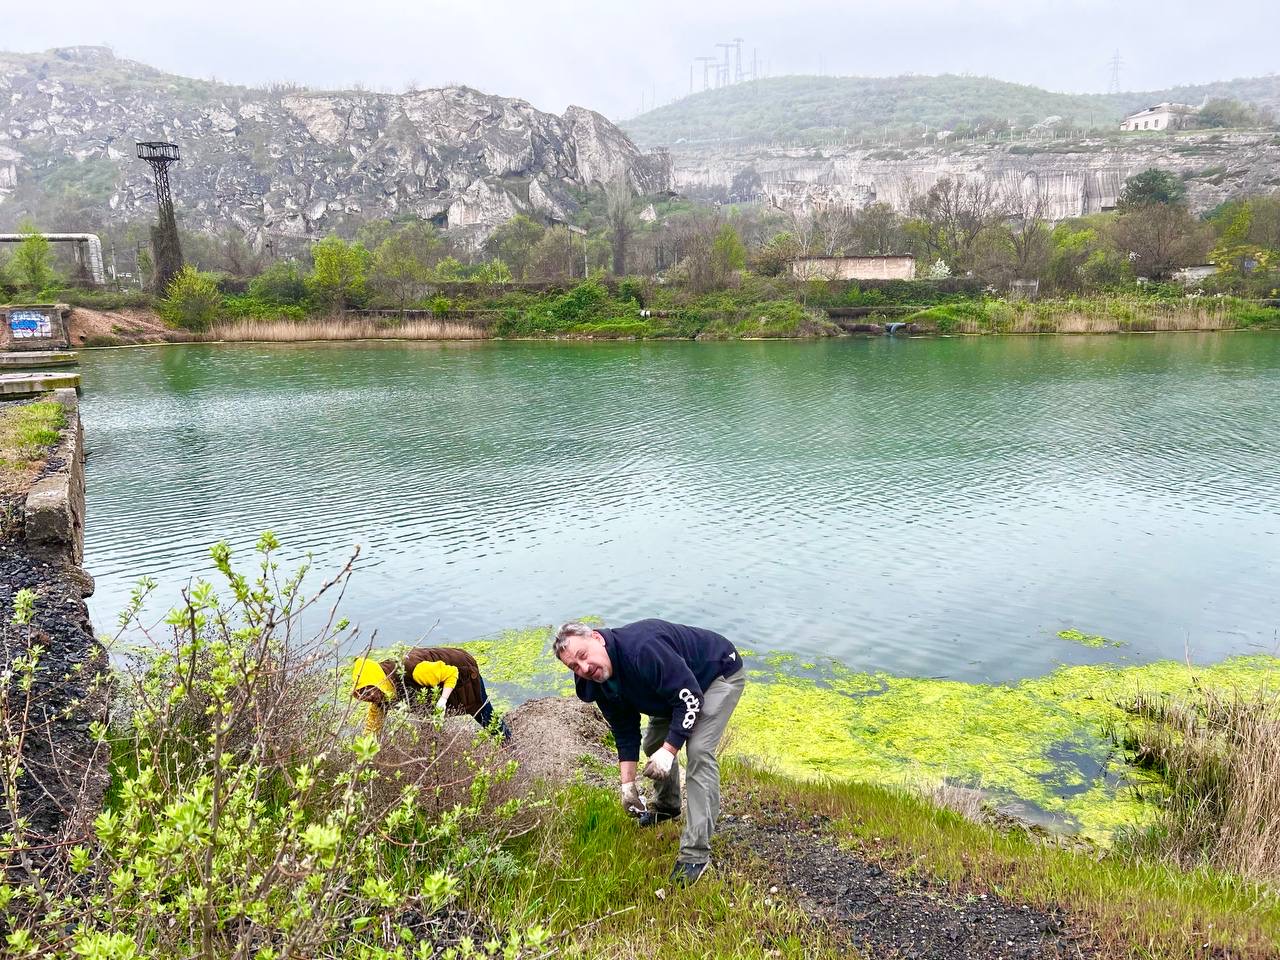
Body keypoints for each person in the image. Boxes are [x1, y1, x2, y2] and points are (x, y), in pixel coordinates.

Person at [554, 619, 745, 888]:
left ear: (597, 638)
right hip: (674, 693)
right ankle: (667, 807)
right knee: (653, 742)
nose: (584, 668)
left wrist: (669, 752)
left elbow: (690, 698)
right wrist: (627, 785)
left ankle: (696, 854)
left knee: (699, 751)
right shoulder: (597, 682)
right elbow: (625, 729)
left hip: (716, 674)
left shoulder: (641, 650)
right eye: (574, 666)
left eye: (583, 656)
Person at [351, 647, 511, 740]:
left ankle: (509, 744)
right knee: (428, 725)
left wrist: (443, 700)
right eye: (362, 694)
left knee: (481, 712)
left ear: (378, 681)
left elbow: (451, 673)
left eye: (369, 690)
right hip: (437, 682)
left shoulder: (414, 671)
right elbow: (372, 728)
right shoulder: (381, 694)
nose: (369, 697)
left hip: (463, 671)